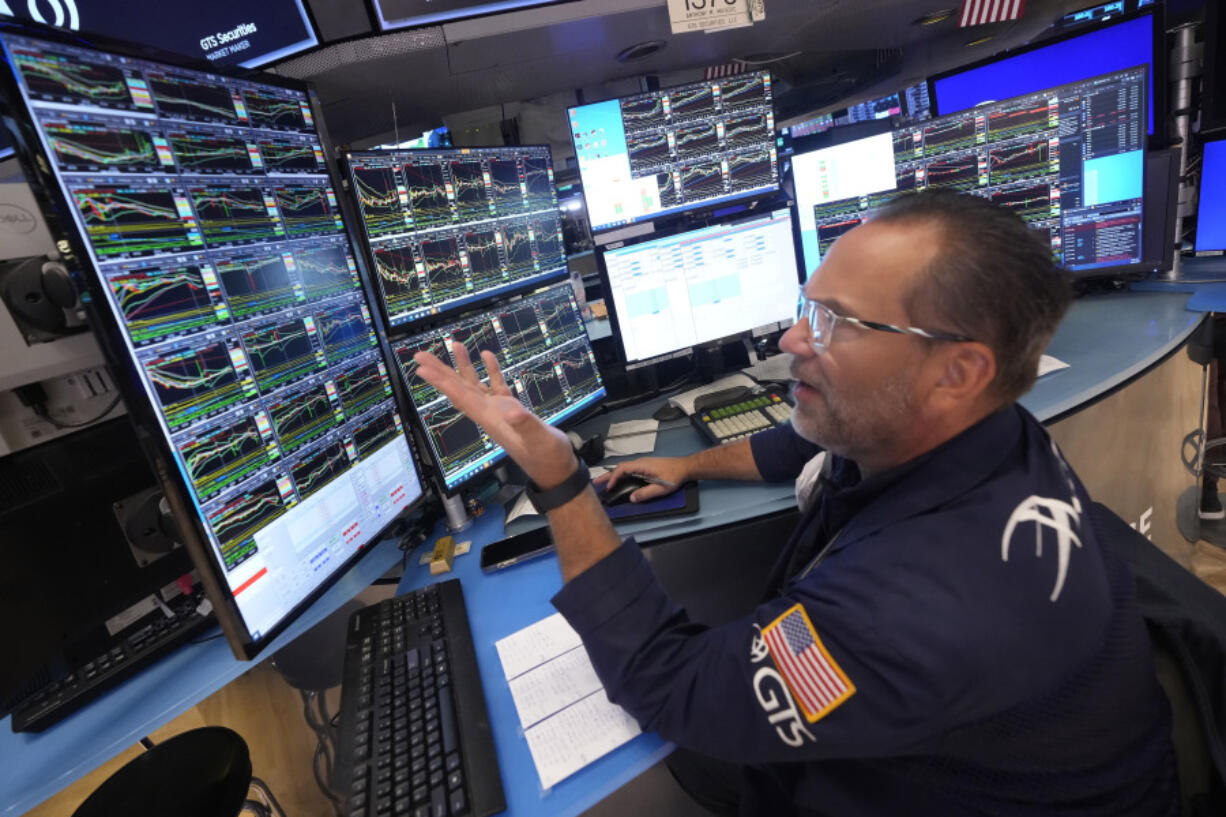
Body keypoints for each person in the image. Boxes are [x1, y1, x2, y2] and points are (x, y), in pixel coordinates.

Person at [413, 190, 1178, 816]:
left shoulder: (912, 609)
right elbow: (807, 444)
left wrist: (560, 479)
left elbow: (666, 682)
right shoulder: (984, 429)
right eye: (809, 307)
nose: (792, 338)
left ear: (959, 371)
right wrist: (690, 466)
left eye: (837, 322)